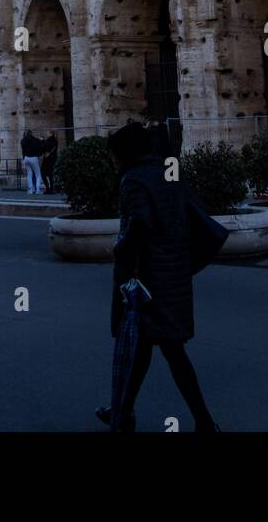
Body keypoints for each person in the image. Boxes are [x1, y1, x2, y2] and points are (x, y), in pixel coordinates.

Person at [97, 121, 224, 434]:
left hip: (146, 279)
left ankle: (198, 421)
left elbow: (139, 223)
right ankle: (125, 412)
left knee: (152, 348)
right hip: (175, 272)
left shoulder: (133, 179)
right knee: (154, 349)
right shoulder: (170, 171)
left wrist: (121, 251)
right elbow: (193, 210)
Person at [21, 129, 45, 195]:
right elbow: (40, 147)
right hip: (34, 158)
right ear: (31, 133)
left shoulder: (23, 141)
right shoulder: (35, 140)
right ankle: (38, 189)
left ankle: (30, 189)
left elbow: (23, 150)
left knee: (29, 174)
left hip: (26, 158)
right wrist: (42, 140)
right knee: (38, 174)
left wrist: (24, 157)